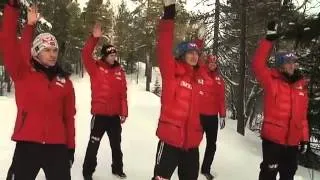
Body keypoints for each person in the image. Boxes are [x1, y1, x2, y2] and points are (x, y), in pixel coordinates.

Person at [2, 1, 76, 179]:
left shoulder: (65, 82)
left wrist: (70, 147)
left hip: (57, 146)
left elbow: (68, 117)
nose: (53, 54)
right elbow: (8, 43)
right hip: (27, 144)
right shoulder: (23, 73)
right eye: (47, 50)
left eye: (55, 50)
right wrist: (14, 11)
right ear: (36, 52)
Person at [151, 0, 205, 179]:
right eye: (190, 53)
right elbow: (165, 46)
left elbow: (197, 55)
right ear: (182, 56)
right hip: (170, 141)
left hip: (192, 144)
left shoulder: (198, 78)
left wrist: (199, 41)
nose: (194, 56)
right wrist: (169, 16)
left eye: (197, 53)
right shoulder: (171, 72)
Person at [252, 22, 309, 180]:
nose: (292, 65)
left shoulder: (300, 87)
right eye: (288, 62)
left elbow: (302, 116)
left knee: (288, 175)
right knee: (268, 175)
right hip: (273, 140)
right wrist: (268, 40)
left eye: (293, 62)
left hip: (292, 142)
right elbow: (257, 64)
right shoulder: (271, 80)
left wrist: (304, 138)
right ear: (280, 65)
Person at [81, 22, 128, 180]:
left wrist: (124, 112)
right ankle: (87, 172)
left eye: (115, 54)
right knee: (93, 145)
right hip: (100, 116)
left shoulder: (120, 71)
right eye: (110, 54)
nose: (113, 56)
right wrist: (94, 39)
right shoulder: (95, 68)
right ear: (104, 55)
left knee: (116, 145)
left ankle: (118, 169)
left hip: (114, 116)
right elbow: (86, 54)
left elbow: (123, 94)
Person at [199, 54, 226, 180]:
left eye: (215, 63)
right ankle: (185, 164)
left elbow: (221, 99)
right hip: (199, 114)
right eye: (210, 62)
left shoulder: (219, 80)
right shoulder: (200, 72)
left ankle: (206, 169)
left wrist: (223, 115)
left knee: (212, 144)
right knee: (193, 141)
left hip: (212, 117)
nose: (212, 65)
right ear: (207, 63)